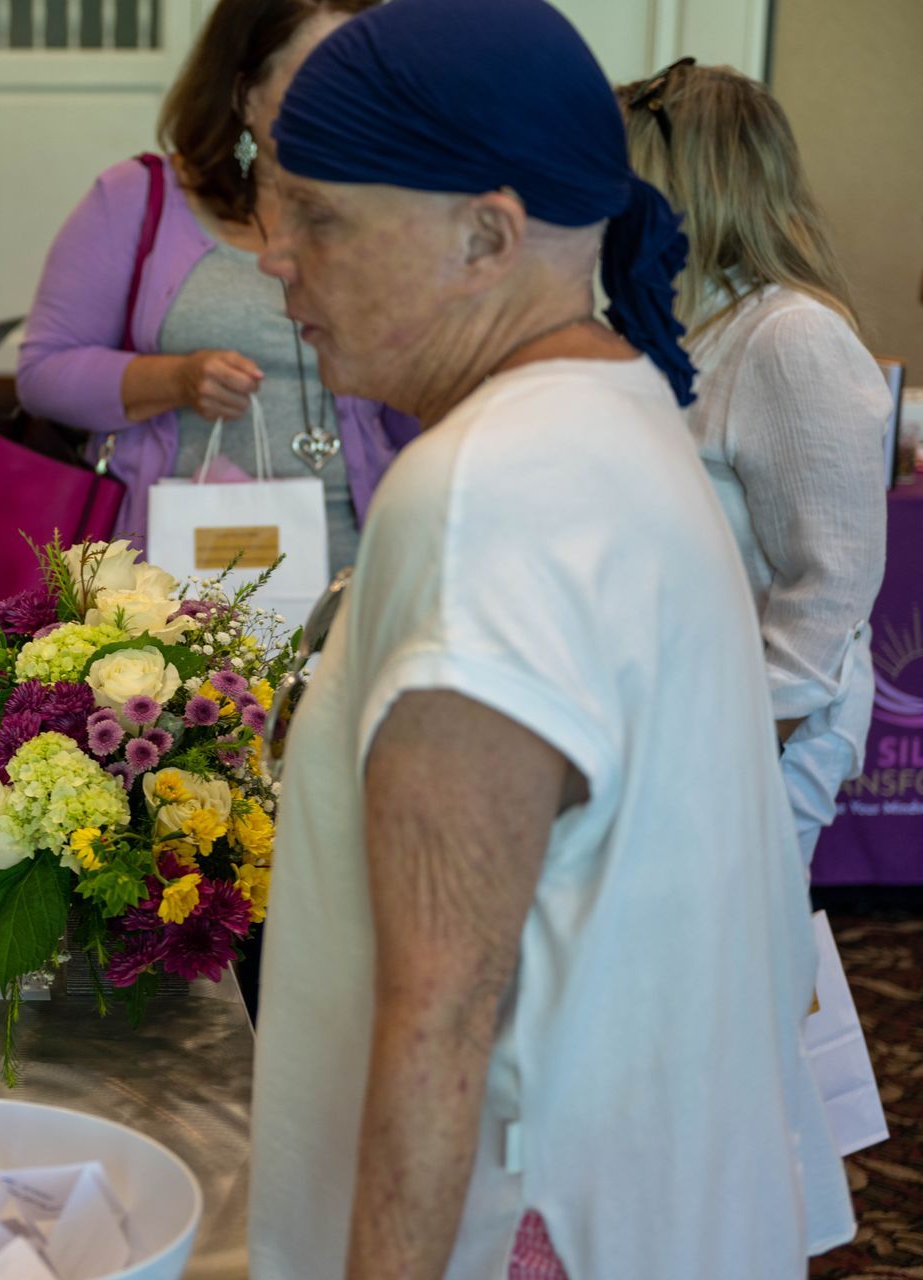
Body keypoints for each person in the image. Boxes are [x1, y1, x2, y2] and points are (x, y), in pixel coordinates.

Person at [245, 1, 850, 1276]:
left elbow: (446, 1010)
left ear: (486, 235)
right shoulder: (619, 414)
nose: (273, 255)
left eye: (320, 214)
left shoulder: (489, 488)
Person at [16, 0, 419, 574]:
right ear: (243, 95)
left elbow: (411, 411)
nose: (344, 104)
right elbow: (41, 376)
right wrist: (177, 379)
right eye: (316, 80)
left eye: (359, 80)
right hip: (180, 582)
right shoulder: (138, 198)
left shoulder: (387, 211)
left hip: (356, 568)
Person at [621, 59, 891, 864]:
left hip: (760, 735)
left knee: (725, 967)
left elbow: (833, 585)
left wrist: (743, 743)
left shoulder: (789, 336)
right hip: (687, 711)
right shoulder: (685, 322)